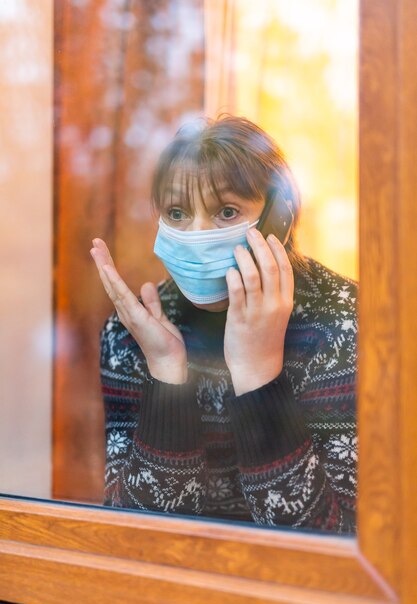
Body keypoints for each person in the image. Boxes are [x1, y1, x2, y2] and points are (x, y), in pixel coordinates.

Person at [90, 115, 357, 533]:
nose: (196, 235)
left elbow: (333, 544)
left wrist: (258, 375)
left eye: (226, 211)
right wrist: (166, 375)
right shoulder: (132, 335)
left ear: (278, 217)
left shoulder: (346, 325)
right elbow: (138, 538)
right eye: (177, 212)